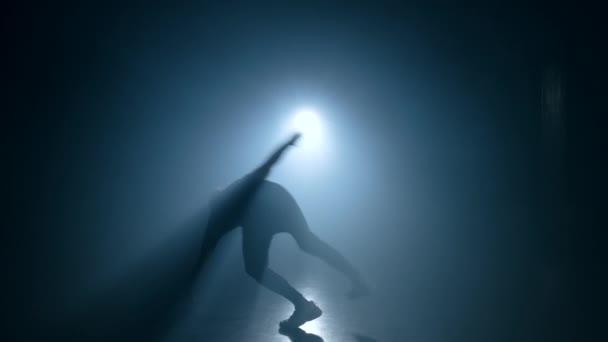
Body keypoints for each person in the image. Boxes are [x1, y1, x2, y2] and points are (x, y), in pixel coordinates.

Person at [197, 133, 369, 328]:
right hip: (279, 204)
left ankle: (305, 303)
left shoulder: (239, 191)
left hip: (273, 205)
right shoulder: (219, 217)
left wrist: (286, 145)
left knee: (258, 266)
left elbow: (267, 164)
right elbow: (206, 247)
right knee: (306, 244)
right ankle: (352, 279)